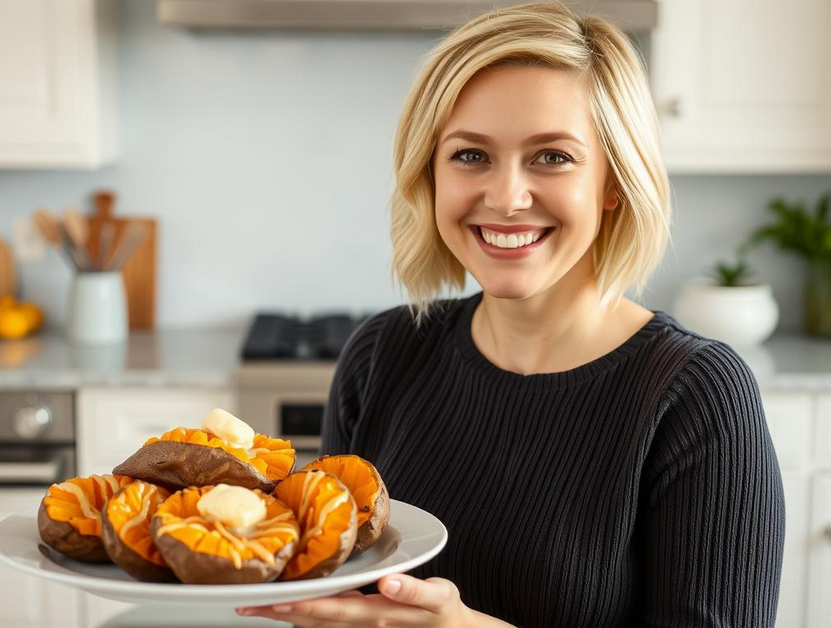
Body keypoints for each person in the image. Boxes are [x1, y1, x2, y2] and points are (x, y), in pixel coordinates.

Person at [236, 2, 785, 626]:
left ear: (613, 183)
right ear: (431, 175)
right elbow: (345, 598)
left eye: (552, 156)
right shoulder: (382, 355)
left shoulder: (697, 397)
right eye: (470, 155)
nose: (506, 198)